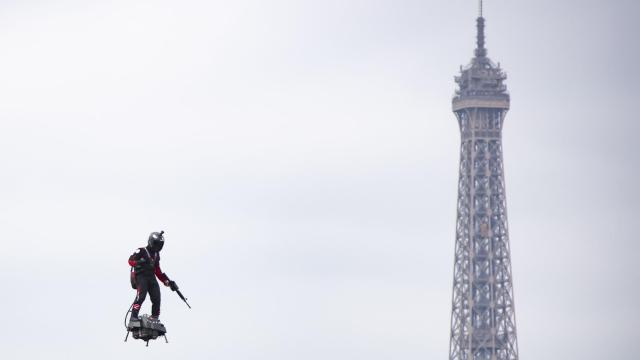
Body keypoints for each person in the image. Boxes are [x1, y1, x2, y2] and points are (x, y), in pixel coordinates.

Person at [128, 231, 178, 321]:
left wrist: (168, 281)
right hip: (141, 276)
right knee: (141, 296)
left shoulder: (156, 255)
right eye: (156, 244)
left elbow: (158, 271)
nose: (157, 247)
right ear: (150, 241)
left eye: (159, 245)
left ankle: (154, 317)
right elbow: (130, 261)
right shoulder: (141, 250)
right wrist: (138, 262)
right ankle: (133, 317)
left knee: (157, 296)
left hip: (151, 277)